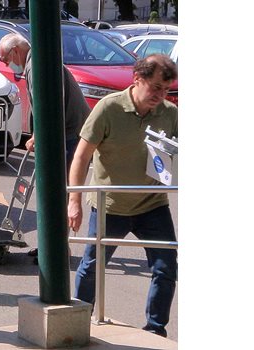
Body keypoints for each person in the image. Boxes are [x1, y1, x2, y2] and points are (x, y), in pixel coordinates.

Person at [68, 54, 178, 338]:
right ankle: (78, 321)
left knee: (166, 268)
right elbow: (81, 156)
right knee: (92, 266)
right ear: (137, 79)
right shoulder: (109, 108)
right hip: (110, 204)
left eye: (166, 90)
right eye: (155, 87)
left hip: (152, 203)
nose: (160, 95)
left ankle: (155, 330)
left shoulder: (170, 113)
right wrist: (75, 200)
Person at [0, 33, 90, 260]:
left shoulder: (35, 65)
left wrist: (38, 136)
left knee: (59, 191)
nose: (7, 64)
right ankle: (53, 244)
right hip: (68, 129)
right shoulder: (35, 61)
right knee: (56, 190)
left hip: (69, 132)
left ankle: (58, 247)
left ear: (15, 51)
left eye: (5, 59)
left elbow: (46, 104)